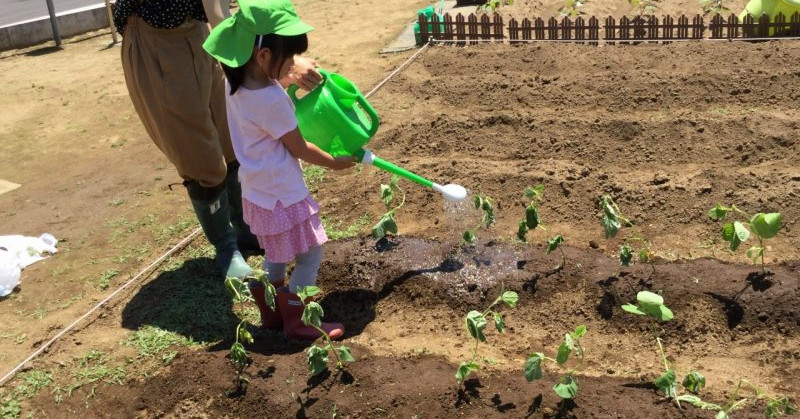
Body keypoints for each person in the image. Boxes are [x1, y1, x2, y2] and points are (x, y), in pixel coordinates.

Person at [112, 0, 323, 281]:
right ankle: (226, 247)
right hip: (156, 39)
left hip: (202, 32)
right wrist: (286, 60)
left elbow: (238, 11)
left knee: (230, 139)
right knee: (200, 156)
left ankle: (247, 230)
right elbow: (217, 11)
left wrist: (284, 53)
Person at [203, 0, 355, 340]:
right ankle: (300, 320)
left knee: (275, 253)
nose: (293, 65)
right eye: (288, 58)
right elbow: (299, 147)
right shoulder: (271, 101)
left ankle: (272, 311)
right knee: (310, 254)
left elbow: (266, 103)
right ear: (263, 57)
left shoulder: (235, 84)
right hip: (284, 193)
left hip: (257, 191)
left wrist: (285, 78)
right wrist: (336, 163)